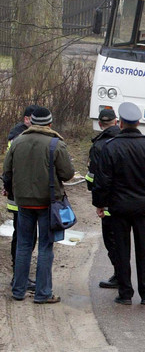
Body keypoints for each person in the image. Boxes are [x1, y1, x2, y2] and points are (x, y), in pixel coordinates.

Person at [94, 102, 145, 305]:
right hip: (143, 207)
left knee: (121, 249)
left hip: (118, 207)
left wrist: (100, 204)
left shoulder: (110, 147)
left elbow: (103, 181)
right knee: (144, 249)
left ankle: (125, 293)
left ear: (120, 123)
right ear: (138, 122)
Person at [3, 106, 75, 304]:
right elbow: (68, 174)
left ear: (31, 123)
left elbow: (7, 171)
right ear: (50, 124)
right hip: (48, 203)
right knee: (45, 247)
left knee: (24, 246)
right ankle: (43, 293)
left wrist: (11, 190)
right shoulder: (56, 144)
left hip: (23, 203)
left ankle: (18, 291)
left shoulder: (17, 142)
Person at [4, 104, 39, 290]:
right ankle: (19, 276)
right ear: (26, 119)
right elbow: (11, 167)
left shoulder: (20, 134)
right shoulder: (19, 136)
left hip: (19, 192)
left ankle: (20, 274)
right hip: (20, 195)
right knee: (24, 236)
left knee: (24, 235)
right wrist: (8, 188)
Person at [85, 108, 121, 289]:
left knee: (112, 239)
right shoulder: (126, 141)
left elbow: (94, 178)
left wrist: (98, 203)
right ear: (117, 121)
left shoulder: (99, 146)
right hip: (130, 200)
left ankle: (121, 276)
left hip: (109, 202)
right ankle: (125, 276)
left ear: (100, 124)